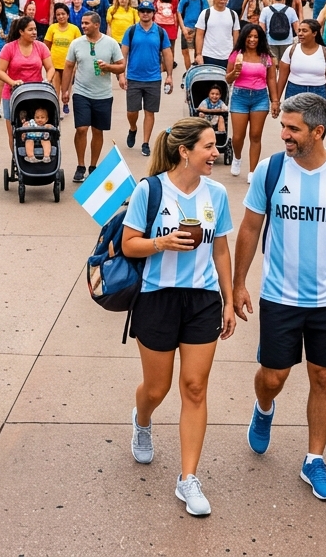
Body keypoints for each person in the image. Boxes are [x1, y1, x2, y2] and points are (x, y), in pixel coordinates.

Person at [233, 93, 326, 502]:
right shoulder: (270, 170)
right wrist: (238, 284)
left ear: (318, 131)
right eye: (283, 126)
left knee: (323, 376)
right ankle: (264, 409)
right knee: (273, 378)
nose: (284, 135)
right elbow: (249, 228)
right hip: (279, 296)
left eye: (293, 129)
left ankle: (314, 460)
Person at [121, 119, 236, 517]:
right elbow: (129, 245)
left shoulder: (217, 194)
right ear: (184, 151)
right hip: (157, 298)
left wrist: (228, 299)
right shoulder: (150, 190)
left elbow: (220, 249)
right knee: (157, 388)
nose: (216, 153)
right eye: (209, 147)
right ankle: (142, 419)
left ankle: (188, 479)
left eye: (216, 146)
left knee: (195, 388)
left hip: (203, 299)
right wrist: (161, 242)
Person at [61, 11, 126, 183]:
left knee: (98, 131)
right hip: (81, 92)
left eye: (86, 23)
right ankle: (80, 166)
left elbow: (121, 66)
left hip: (103, 94)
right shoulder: (76, 43)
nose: (83, 26)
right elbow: (68, 67)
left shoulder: (111, 43)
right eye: (82, 23)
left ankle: (93, 166)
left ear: (97, 25)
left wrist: (108, 67)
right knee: (81, 129)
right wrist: (65, 91)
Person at [120, 1, 174, 158]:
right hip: (133, 77)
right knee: (132, 111)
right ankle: (133, 128)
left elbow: (167, 54)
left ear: (153, 13)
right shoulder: (131, 31)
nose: (145, 13)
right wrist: (121, 75)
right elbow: (123, 55)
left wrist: (169, 76)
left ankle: (145, 143)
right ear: (138, 13)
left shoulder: (160, 32)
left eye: (148, 11)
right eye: (142, 11)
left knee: (150, 112)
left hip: (153, 78)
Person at [225, 24, 279, 181]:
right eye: (249, 36)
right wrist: (235, 72)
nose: (252, 40)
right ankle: (237, 157)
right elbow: (228, 79)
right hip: (239, 96)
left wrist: (275, 101)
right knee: (238, 137)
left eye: (256, 37)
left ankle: (252, 171)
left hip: (260, 97)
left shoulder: (265, 57)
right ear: (244, 37)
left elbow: (271, 79)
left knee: (255, 135)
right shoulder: (237, 55)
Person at [0, 16, 55, 150]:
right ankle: (16, 158)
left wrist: (48, 79)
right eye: (30, 30)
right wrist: (12, 82)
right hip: (13, 94)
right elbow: (0, 71)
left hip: (36, 94)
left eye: (35, 29)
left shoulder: (41, 47)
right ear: (21, 32)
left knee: (38, 127)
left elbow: (50, 68)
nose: (34, 32)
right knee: (14, 132)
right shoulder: (9, 48)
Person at [276, 19, 326, 105]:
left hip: (318, 92)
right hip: (294, 91)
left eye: (304, 31)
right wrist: (276, 100)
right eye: (299, 30)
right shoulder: (291, 50)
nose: (300, 34)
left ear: (314, 33)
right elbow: (282, 77)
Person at [44, 2, 81, 116]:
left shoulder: (74, 29)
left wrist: (77, 63)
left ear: (68, 15)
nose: (61, 16)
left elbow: (79, 47)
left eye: (63, 14)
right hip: (54, 64)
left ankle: (65, 103)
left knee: (66, 88)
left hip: (69, 64)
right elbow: (46, 46)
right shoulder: (52, 28)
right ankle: (56, 109)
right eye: (58, 14)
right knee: (55, 88)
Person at [194, 0, 240, 68]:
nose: (222, 0)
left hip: (228, 56)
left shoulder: (233, 14)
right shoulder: (205, 13)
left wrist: (235, 54)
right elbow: (199, 35)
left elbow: (235, 35)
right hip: (209, 55)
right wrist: (198, 54)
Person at [261, 0, 298, 64]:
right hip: (287, 41)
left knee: (272, 65)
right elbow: (297, 28)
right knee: (286, 64)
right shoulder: (291, 10)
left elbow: (262, 29)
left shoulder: (265, 10)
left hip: (271, 41)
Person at [178, 0, 208, 71]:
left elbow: (206, 13)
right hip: (187, 27)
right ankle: (188, 71)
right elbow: (179, 13)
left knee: (198, 52)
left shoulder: (202, 0)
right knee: (185, 51)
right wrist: (183, 28)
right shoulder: (185, 0)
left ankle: (196, 71)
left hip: (199, 28)